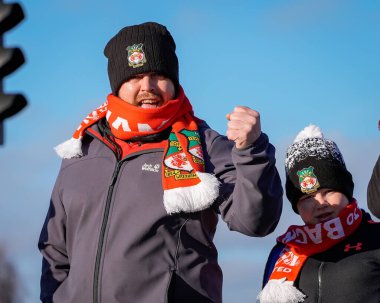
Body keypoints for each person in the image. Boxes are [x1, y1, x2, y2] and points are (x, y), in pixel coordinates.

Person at [38, 22, 283, 303]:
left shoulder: (203, 144)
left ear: (173, 80)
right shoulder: (81, 149)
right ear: (117, 85)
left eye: (157, 75)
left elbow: (256, 221)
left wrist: (252, 151)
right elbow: (55, 251)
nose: (147, 87)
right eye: (134, 77)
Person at [258, 125, 380, 303]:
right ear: (296, 205)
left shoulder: (376, 238)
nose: (321, 204)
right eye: (308, 197)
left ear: (346, 192)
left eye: (329, 191)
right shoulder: (283, 253)